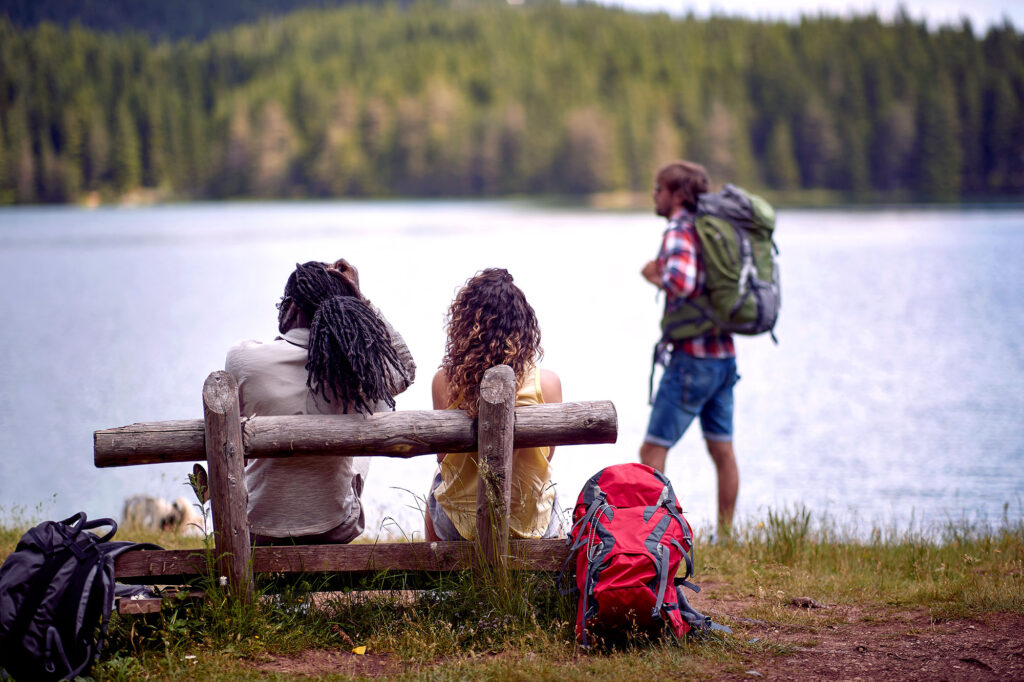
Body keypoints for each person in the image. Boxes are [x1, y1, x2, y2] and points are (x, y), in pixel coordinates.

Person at [225, 259, 416, 545]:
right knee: (378, 404)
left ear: (291, 307)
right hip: (334, 527)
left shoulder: (243, 359)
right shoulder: (356, 372)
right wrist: (361, 301)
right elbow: (405, 370)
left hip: (257, 528)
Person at [425, 268, 563, 542]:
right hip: (528, 524)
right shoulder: (547, 384)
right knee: (548, 486)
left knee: (437, 483)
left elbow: (442, 458)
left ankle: (436, 580)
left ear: (462, 326)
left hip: (462, 528)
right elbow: (546, 456)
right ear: (524, 326)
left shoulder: (445, 381)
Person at [640, 161, 740, 535]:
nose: (655, 194)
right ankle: (727, 536)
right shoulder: (712, 231)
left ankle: (651, 538)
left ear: (677, 194)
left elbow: (682, 282)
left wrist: (654, 275)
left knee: (651, 452)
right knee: (722, 451)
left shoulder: (680, 229)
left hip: (692, 361)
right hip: (724, 358)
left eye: (659, 188)